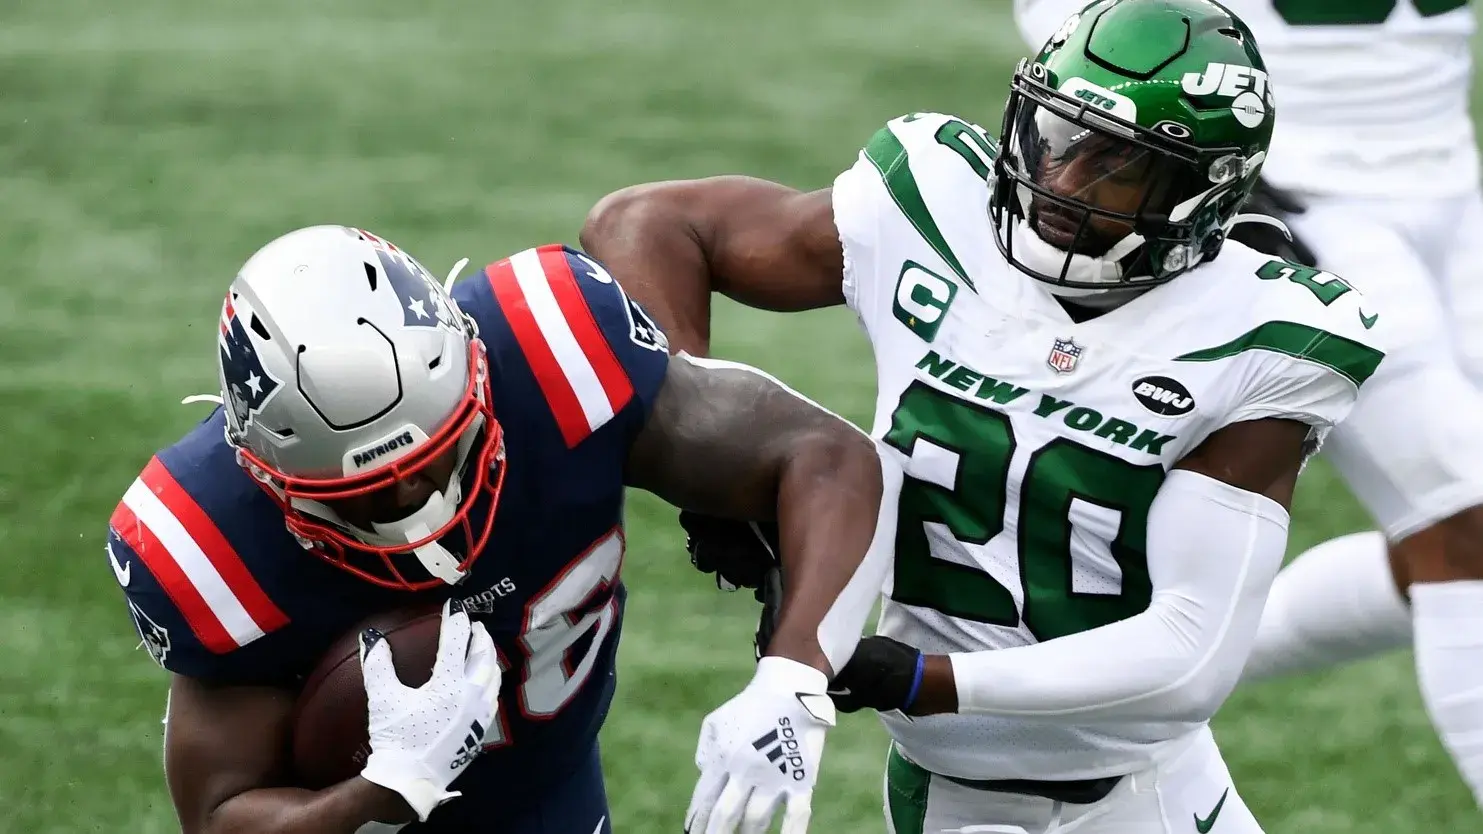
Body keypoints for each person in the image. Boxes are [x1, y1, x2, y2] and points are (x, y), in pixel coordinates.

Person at [579, 1, 1389, 831]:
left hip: (1150, 788)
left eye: (1118, 165)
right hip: (953, 796)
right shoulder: (936, 204)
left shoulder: (1259, 335)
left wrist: (918, 677)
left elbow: (1187, 653)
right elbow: (646, 224)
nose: (1061, 181)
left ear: (1197, 191)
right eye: (1056, 135)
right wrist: (711, 465)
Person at [104, 225, 900, 834]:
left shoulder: (552, 349)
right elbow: (220, 814)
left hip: (551, 794)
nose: (422, 501)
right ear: (267, 471)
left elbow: (827, 456)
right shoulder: (207, 536)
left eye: (440, 455)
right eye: (366, 495)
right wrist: (383, 789)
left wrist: (792, 676)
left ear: (473, 367)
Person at [1012, 0, 1483, 810]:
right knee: (1462, 522)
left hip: (1451, 174)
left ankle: (1104, 682)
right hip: (1298, 186)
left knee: (1445, 551)